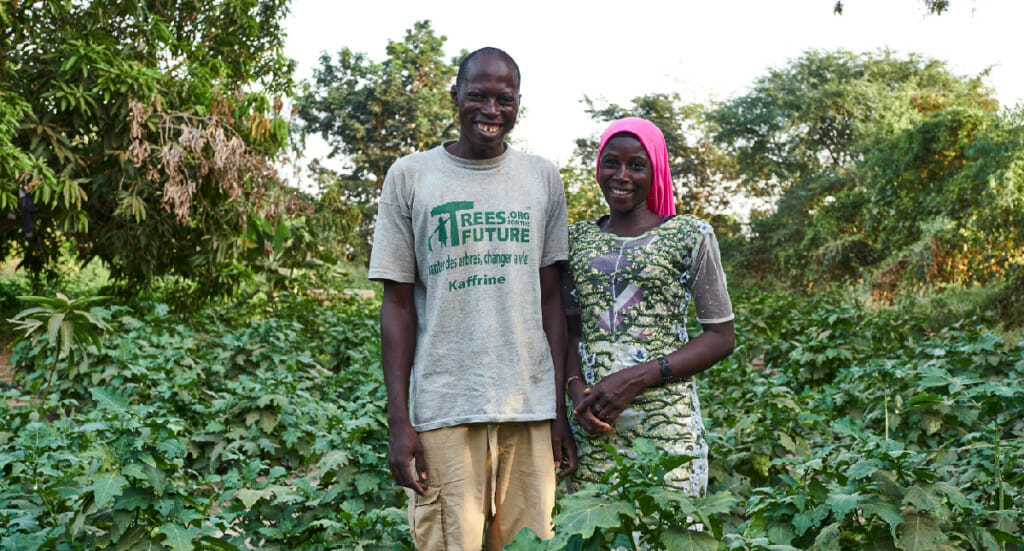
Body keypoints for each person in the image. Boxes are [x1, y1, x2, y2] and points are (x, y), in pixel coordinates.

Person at [368, 47, 577, 550]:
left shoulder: (542, 177)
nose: (491, 110)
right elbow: (396, 307)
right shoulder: (411, 176)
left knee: (530, 545)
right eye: (478, 95)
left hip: (527, 407)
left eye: (504, 99)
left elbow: (551, 302)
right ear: (455, 96)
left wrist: (557, 412)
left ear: (518, 103)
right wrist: (400, 421)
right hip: (443, 408)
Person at [563, 117, 734, 497]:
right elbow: (569, 330)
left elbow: (721, 337)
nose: (621, 175)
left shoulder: (689, 234)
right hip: (591, 426)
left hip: (666, 430)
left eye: (636, 165)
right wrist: (576, 391)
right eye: (611, 163)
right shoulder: (574, 239)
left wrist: (635, 378)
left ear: (655, 169)